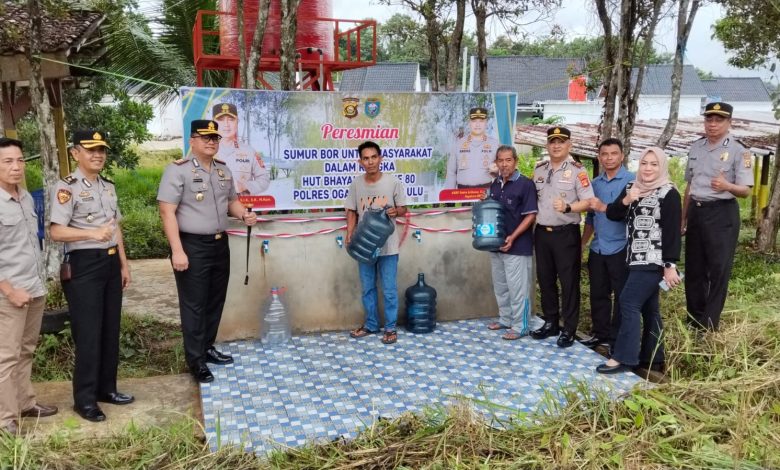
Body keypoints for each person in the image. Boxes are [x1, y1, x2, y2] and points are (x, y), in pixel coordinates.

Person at [157, 120, 257, 384]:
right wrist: (177, 251)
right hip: (191, 246)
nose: (211, 141)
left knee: (215, 299)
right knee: (194, 304)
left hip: (219, 243)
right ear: (192, 140)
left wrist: (244, 213)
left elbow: (232, 202)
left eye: (214, 137)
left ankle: (207, 347)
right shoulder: (177, 171)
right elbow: (167, 212)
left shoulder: (223, 171)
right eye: (205, 137)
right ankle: (195, 360)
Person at [50, 130, 133, 423]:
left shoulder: (108, 186)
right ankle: (84, 400)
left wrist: (123, 263)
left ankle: (106, 389)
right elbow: (55, 231)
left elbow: (115, 226)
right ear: (75, 153)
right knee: (88, 333)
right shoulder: (66, 187)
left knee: (110, 329)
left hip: (110, 264)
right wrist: (91, 233)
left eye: (101, 150)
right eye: (90, 150)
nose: (97, 155)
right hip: (84, 265)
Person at [597, 147, 682, 374]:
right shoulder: (632, 187)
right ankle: (653, 357)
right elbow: (613, 213)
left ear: (662, 166)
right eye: (644, 163)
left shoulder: (668, 193)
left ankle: (625, 358)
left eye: (654, 164)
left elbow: (672, 232)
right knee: (649, 309)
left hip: (653, 262)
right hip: (632, 258)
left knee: (628, 303)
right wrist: (627, 199)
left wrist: (670, 266)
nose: (648, 168)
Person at [0, 138, 58, 434]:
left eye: (20, 160)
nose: (15, 167)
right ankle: (5, 419)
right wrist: (8, 290)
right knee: (6, 356)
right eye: (8, 161)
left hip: (33, 287)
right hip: (9, 293)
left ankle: (25, 403)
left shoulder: (23, 196)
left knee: (26, 350)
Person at [682, 102, 753, 331]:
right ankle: (695, 318)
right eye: (709, 119)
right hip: (697, 211)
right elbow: (689, 186)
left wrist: (726, 185)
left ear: (729, 122)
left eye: (718, 120)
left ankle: (709, 324)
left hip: (722, 214)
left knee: (718, 270)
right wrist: (683, 217)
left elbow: (746, 190)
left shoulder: (739, 151)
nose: (712, 124)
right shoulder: (696, 147)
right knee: (694, 269)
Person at [530, 126, 595, 348]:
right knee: (545, 279)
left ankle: (569, 328)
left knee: (568, 283)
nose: (556, 145)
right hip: (542, 233)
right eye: (552, 141)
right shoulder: (539, 169)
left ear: (569, 145)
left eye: (561, 142)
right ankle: (551, 322)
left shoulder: (578, 171)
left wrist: (568, 207)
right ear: (547, 145)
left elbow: (588, 202)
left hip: (566, 234)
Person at [346, 141, 407, 345]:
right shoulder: (356, 184)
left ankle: (390, 328)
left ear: (380, 159)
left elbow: (404, 209)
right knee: (368, 288)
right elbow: (352, 211)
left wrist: (395, 211)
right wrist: (349, 234)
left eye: (374, 157)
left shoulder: (392, 183)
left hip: (388, 246)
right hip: (364, 245)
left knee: (389, 289)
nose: (370, 161)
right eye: (366, 158)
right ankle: (371, 324)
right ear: (360, 161)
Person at [580, 138, 635, 348]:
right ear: (599, 157)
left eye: (614, 154)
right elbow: (591, 219)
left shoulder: (632, 181)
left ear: (622, 156)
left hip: (621, 247)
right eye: (605, 154)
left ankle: (616, 339)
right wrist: (583, 244)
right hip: (598, 247)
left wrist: (606, 206)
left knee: (621, 296)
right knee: (598, 293)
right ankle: (600, 333)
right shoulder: (594, 184)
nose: (609, 158)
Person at [484, 145, 538, 340]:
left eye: (508, 160)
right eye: (500, 160)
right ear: (496, 162)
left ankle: (521, 325)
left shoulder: (525, 184)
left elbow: (531, 215)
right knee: (501, 286)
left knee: (518, 289)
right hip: (496, 246)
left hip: (517, 246)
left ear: (515, 161)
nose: (504, 164)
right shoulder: (495, 185)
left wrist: (512, 237)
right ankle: (506, 319)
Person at [212, 103, 270, 196]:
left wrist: (245, 186)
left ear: (237, 122)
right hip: (213, 209)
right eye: (221, 120)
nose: (226, 125)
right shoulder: (205, 151)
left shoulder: (249, 151)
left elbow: (264, 179)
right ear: (213, 123)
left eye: (231, 120)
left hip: (243, 208)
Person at [444, 107, 500, 189]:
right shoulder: (458, 144)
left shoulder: (495, 144)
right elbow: (451, 172)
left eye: (481, 121)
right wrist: (450, 196)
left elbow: (504, 170)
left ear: (486, 123)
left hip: (486, 192)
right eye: (474, 121)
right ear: (469, 122)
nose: (477, 125)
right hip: (463, 193)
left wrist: (497, 171)